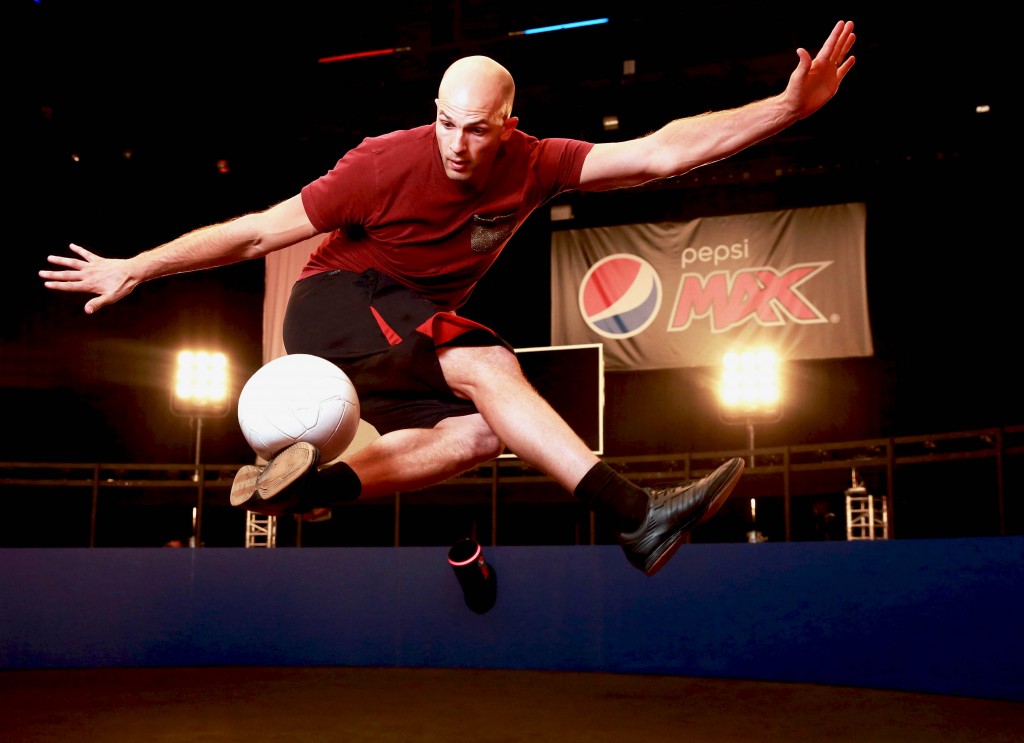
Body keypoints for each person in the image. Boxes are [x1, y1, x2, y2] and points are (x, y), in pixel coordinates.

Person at [39, 21, 857, 576]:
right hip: (337, 301)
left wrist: (786, 108)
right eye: (446, 124)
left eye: (477, 128)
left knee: (480, 432)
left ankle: (316, 489)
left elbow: (655, 154)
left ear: (509, 122)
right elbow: (258, 233)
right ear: (433, 114)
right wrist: (137, 266)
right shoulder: (382, 162)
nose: (459, 145)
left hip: (399, 328)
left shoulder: (536, 162)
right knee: (486, 358)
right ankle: (633, 512)